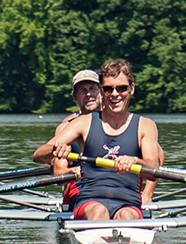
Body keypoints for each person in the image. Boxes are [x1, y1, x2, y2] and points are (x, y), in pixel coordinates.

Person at [33, 59, 163, 220]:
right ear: (102, 92)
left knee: (127, 216)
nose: (115, 94)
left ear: (132, 89)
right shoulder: (83, 123)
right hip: (90, 203)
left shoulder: (146, 125)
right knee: (99, 211)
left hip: (128, 204)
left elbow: (154, 171)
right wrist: (56, 150)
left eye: (121, 88)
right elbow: (38, 155)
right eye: (109, 89)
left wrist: (135, 161)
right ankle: (107, 242)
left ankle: (115, 241)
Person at [52, 69, 103, 212]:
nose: (88, 94)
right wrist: (72, 171)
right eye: (82, 90)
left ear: (102, 92)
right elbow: (58, 172)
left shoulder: (118, 122)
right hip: (81, 189)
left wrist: (147, 194)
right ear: (75, 98)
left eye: (93, 89)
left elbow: (155, 161)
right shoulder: (66, 128)